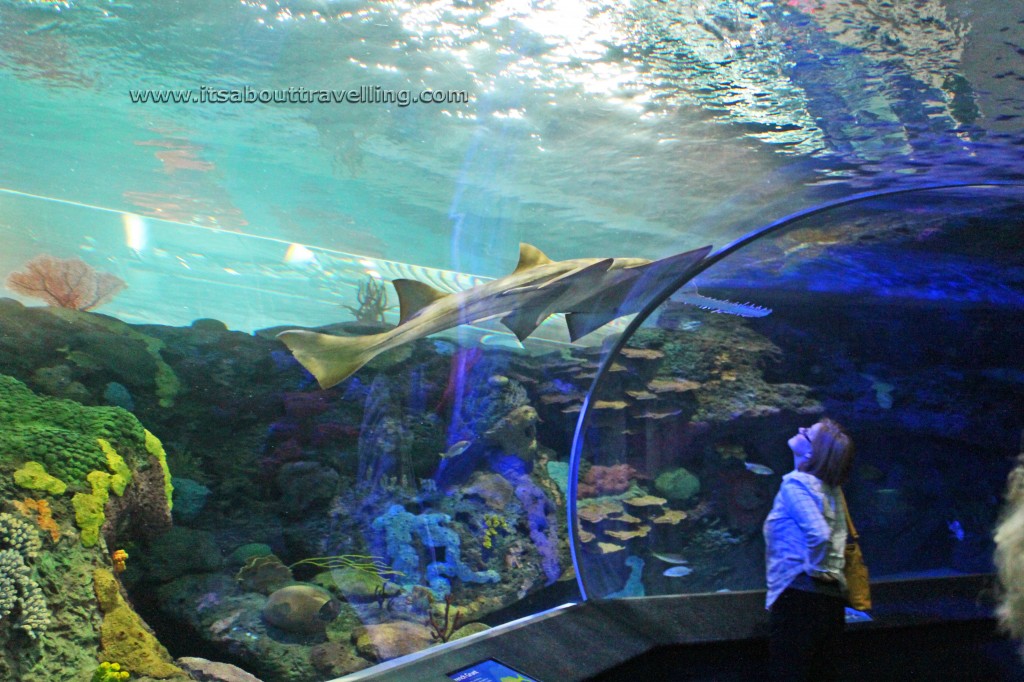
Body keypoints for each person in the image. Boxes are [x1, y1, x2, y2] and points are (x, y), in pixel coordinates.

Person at [763, 418, 855, 682]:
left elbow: (820, 534)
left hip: (800, 599)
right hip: (831, 599)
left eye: (808, 433)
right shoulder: (831, 488)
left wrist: (815, 568)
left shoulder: (796, 484)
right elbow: (837, 536)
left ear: (812, 452)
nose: (801, 429)